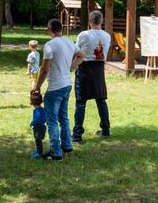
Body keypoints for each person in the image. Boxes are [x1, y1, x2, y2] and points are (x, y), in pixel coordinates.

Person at [33, 19, 85, 161]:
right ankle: (67, 146)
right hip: (67, 84)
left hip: (55, 87)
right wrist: (71, 66)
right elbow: (81, 55)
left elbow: (44, 69)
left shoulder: (50, 45)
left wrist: (37, 86)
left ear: (50, 30)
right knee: (64, 117)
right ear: (60, 29)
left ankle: (56, 152)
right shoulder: (69, 42)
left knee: (52, 120)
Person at [72, 10, 111, 144]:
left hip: (85, 69)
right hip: (99, 70)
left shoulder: (84, 35)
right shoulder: (107, 36)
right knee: (101, 100)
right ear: (101, 21)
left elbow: (77, 52)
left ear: (89, 20)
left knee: (81, 102)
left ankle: (77, 135)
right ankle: (105, 129)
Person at [29, 91, 46, 159]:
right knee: (39, 140)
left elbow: (37, 119)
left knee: (38, 140)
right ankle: (39, 151)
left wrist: (32, 123)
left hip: (38, 128)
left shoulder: (36, 111)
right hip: (43, 127)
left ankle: (39, 153)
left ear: (31, 102)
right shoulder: (43, 109)